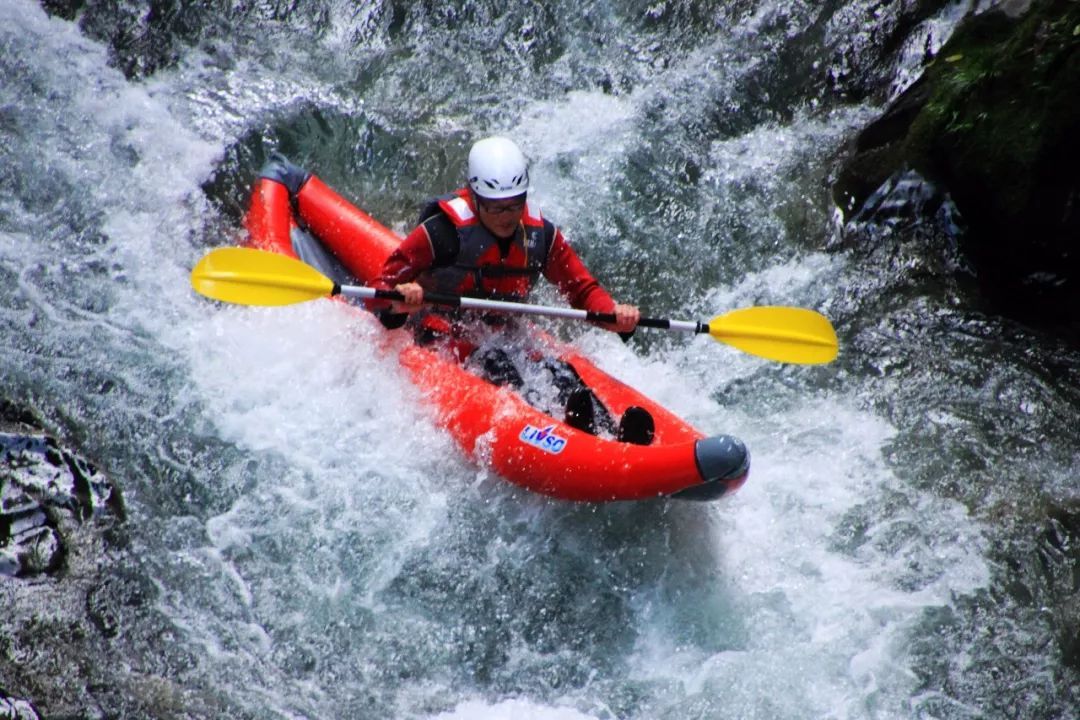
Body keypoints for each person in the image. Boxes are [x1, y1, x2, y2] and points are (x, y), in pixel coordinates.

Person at [367, 136, 653, 444]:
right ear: (475, 197)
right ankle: (557, 435)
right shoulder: (442, 232)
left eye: (515, 205)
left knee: (560, 371)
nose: (507, 217)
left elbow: (582, 289)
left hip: (503, 332)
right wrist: (400, 301)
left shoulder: (540, 236)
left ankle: (611, 433)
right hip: (444, 333)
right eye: (496, 208)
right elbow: (382, 287)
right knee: (499, 365)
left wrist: (613, 313)